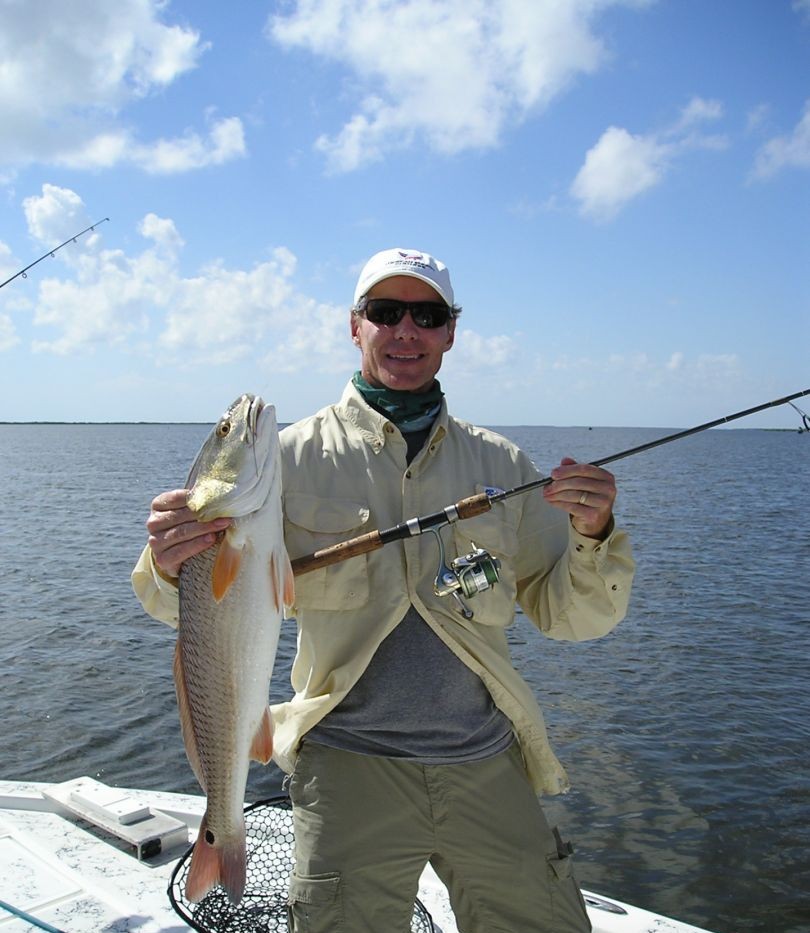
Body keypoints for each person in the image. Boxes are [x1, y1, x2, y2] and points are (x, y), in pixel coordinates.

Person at [132, 248, 635, 933]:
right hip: (346, 764)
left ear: (451, 332)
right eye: (385, 311)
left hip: (486, 760)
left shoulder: (503, 464)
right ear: (355, 325)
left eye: (426, 315)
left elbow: (573, 616)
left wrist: (593, 533)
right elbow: (182, 609)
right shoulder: (283, 460)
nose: (405, 330)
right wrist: (170, 561)